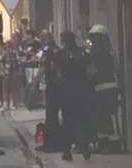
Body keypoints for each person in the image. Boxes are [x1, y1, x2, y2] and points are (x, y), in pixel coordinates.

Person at [56, 31, 93, 161]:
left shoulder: (61, 54)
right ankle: (84, 146)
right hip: (83, 92)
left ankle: (67, 151)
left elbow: (58, 73)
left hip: (67, 93)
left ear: (64, 40)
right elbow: (91, 72)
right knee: (82, 120)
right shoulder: (83, 53)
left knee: (68, 122)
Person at [87, 24, 121, 154]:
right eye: (93, 37)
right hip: (102, 89)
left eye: (96, 37)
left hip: (106, 89)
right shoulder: (107, 50)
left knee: (107, 116)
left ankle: (113, 144)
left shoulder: (100, 52)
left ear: (102, 37)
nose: (94, 40)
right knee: (101, 117)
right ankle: (104, 143)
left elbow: (92, 71)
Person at [33, 30, 61, 152]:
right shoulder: (58, 49)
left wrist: (35, 83)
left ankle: (51, 144)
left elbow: (43, 69)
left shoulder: (48, 51)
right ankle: (57, 143)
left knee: (51, 116)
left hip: (53, 86)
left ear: (45, 39)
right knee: (55, 115)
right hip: (61, 86)